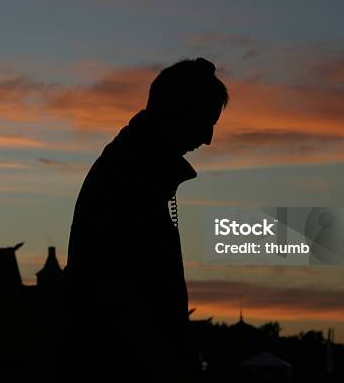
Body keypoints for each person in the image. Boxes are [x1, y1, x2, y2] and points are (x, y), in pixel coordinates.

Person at [62, 57, 228, 382]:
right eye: (206, 121)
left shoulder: (135, 169)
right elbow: (117, 296)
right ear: (179, 112)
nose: (208, 139)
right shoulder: (131, 178)